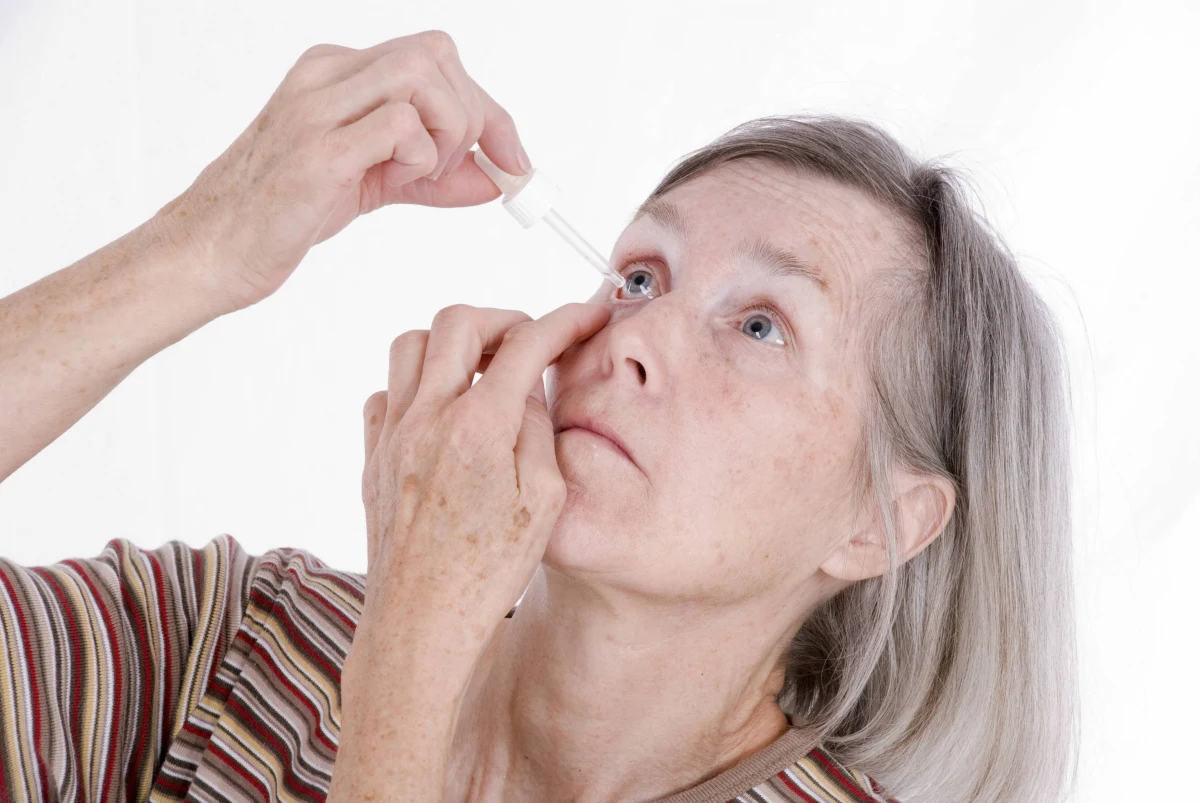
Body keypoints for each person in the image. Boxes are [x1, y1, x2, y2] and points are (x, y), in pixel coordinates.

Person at [0, 30, 1079, 803]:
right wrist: (204, 244)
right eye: (643, 275)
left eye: (758, 325)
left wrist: (415, 649)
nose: (633, 336)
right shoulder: (246, 639)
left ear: (881, 518)